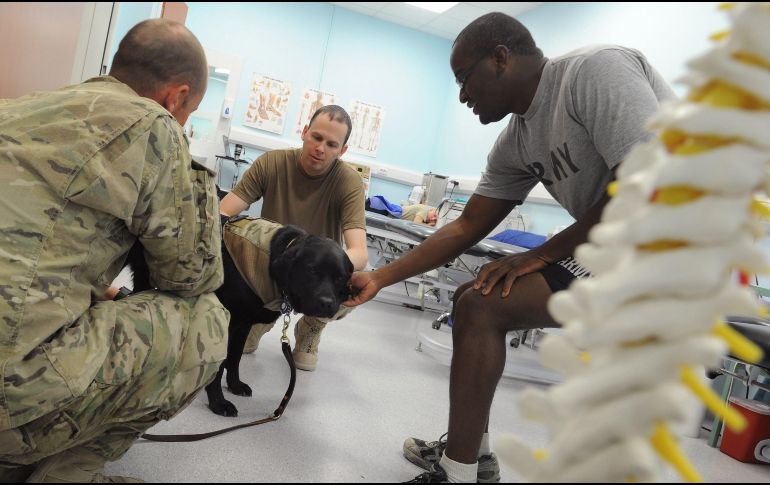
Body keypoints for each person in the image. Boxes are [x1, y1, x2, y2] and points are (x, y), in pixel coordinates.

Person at [345, 12, 675, 483]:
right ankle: (473, 459)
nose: (461, 95)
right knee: (468, 299)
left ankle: (459, 475)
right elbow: (467, 227)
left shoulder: (595, 70)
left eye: (465, 79)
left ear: (501, 58)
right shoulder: (517, 139)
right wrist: (379, 276)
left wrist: (544, 252)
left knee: (483, 308)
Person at [0, 19, 229, 483]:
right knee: (206, 323)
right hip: (10, 396)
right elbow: (190, 277)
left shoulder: (21, 108)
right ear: (177, 97)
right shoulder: (154, 126)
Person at [219, 105, 367, 371]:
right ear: (305, 132)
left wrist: (320, 261)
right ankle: (262, 318)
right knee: (243, 347)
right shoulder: (271, 163)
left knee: (357, 276)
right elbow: (223, 213)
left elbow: (360, 252)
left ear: (342, 151)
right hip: (272, 271)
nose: (321, 148)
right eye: (317, 137)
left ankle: (312, 324)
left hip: (317, 279)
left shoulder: (348, 182)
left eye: (332, 144)